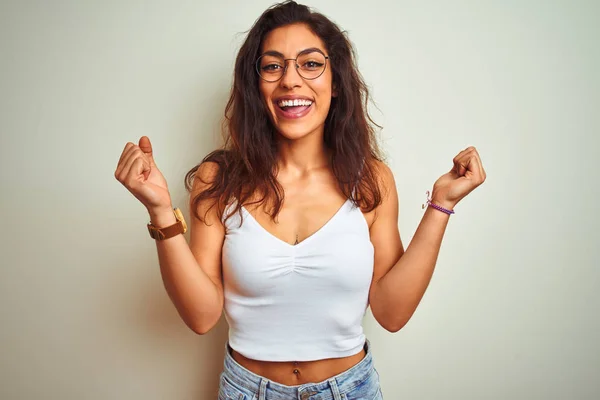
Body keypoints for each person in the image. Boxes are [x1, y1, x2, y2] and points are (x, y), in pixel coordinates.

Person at [114, 1, 486, 398]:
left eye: (310, 64)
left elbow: (392, 313)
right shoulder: (218, 180)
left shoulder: (371, 179)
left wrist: (441, 206)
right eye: (273, 66)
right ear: (256, 85)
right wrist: (159, 211)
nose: (291, 80)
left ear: (336, 82)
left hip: (352, 389)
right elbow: (202, 316)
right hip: (246, 390)